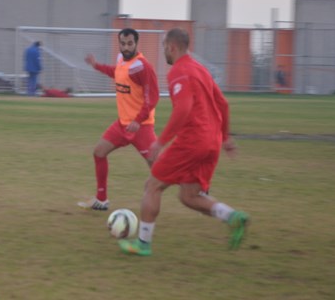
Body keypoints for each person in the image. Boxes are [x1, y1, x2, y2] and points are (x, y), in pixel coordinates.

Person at [118, 28, 248, 256]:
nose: (163, 52)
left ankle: (143, 243)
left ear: (172, 47)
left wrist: (161, 141)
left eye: (164, 47)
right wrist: (225, 137)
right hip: (212, 142)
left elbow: (185, 108)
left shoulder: (178, 71)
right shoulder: (201, 70)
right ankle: (233, 217)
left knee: (153, 185)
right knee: (189, 196)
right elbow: (223, 104)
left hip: (193, 140)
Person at [78, 28, 160, 211]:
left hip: (141, 127)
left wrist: (138, 120)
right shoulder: (121, 60)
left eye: (130, 43)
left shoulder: (142, 66)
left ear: (136, 43)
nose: (126, 47)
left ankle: (196, 187)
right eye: (123, 44)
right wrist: (96, 65)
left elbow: (153, 98)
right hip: (122, 124)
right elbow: (116, 73)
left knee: (160, 168)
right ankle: (102, 199)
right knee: (99, 152)